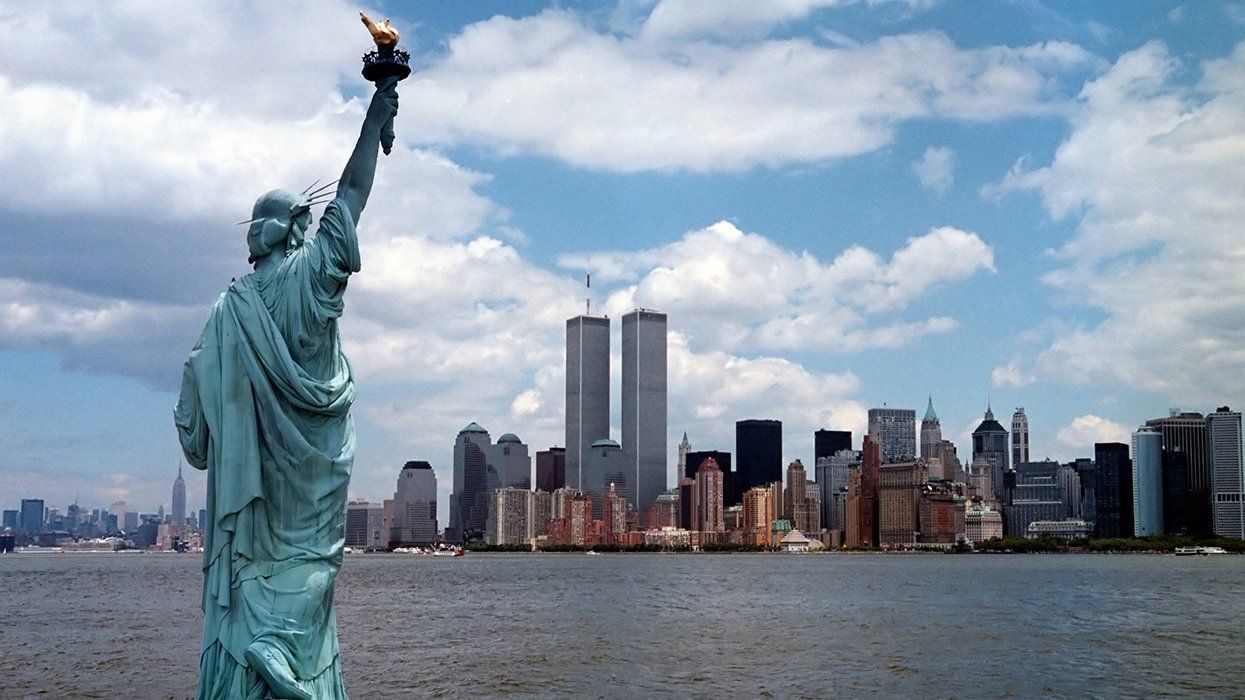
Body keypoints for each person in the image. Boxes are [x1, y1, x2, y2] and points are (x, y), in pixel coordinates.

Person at [175, 75, 398, 700]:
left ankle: (256, 656)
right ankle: (286, 648)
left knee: (257, 566)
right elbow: (351, 192)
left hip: (255, 481)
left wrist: (213, 426)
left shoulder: (227, 311)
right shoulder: (314, 276)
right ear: (296, 229)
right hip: (317, 461)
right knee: (314, 564)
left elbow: (193, 424)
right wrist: (375, 117)